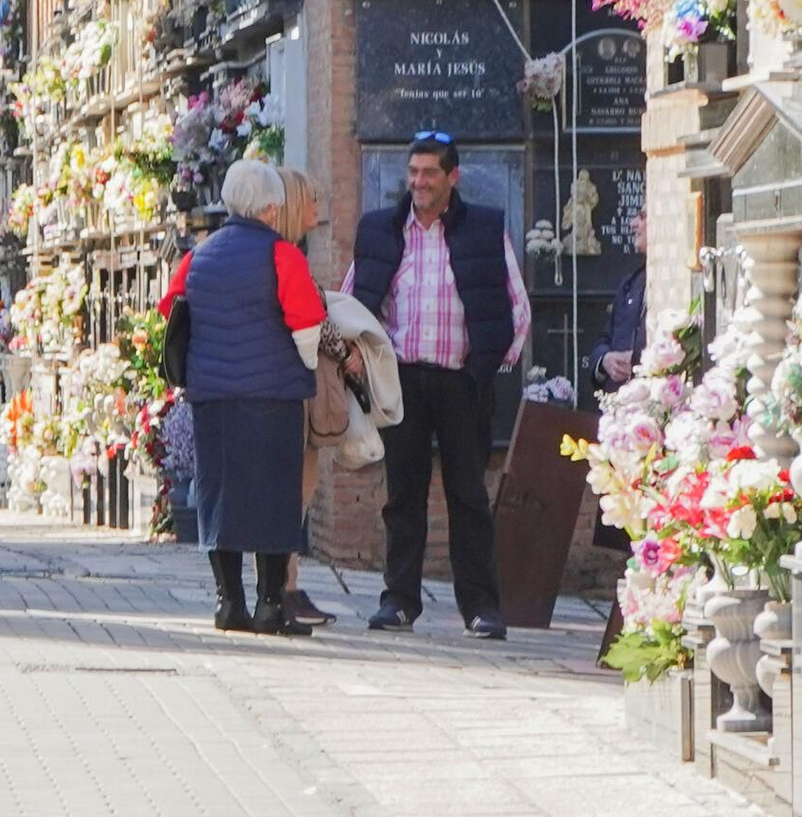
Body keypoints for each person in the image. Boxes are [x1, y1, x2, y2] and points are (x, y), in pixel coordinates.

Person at [343, 132, 530, 640]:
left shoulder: (485, 230)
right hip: (402, 380)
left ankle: (481, 607)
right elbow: (353, 303)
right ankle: (399, 600)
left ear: (453, 177)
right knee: (402, 495)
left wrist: (487, 368)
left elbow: (517, 308)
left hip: (461, 381)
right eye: (413, 173)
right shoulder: (381, 230)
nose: (419, 182)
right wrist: (359, 354)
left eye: (429, 173)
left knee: (468, 496)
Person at [160, 160, 325, 637]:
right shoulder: (282, 256)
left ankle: (227, 602)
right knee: (275, 500)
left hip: (213, 397)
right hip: (272, 396)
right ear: (273, 208)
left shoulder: (199, 255)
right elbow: (307, 324)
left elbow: (172, 308)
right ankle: (270, 605)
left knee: (221, 497)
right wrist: (306, 364)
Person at [274, 167, 342, 628]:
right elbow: (314, 322)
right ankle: (285, 586)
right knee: (295, 493)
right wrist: (349, 352)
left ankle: (284, 584)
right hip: (295, 392)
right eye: (312, 200)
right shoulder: (287, 257)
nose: (319, 210)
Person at [590, 209, 647, 392]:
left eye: (643, 216)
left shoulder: (679, 283)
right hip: (620, 402)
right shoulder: (631, 284)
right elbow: (604, 339)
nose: (633, 223)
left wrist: (639, 360)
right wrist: (605, 360)